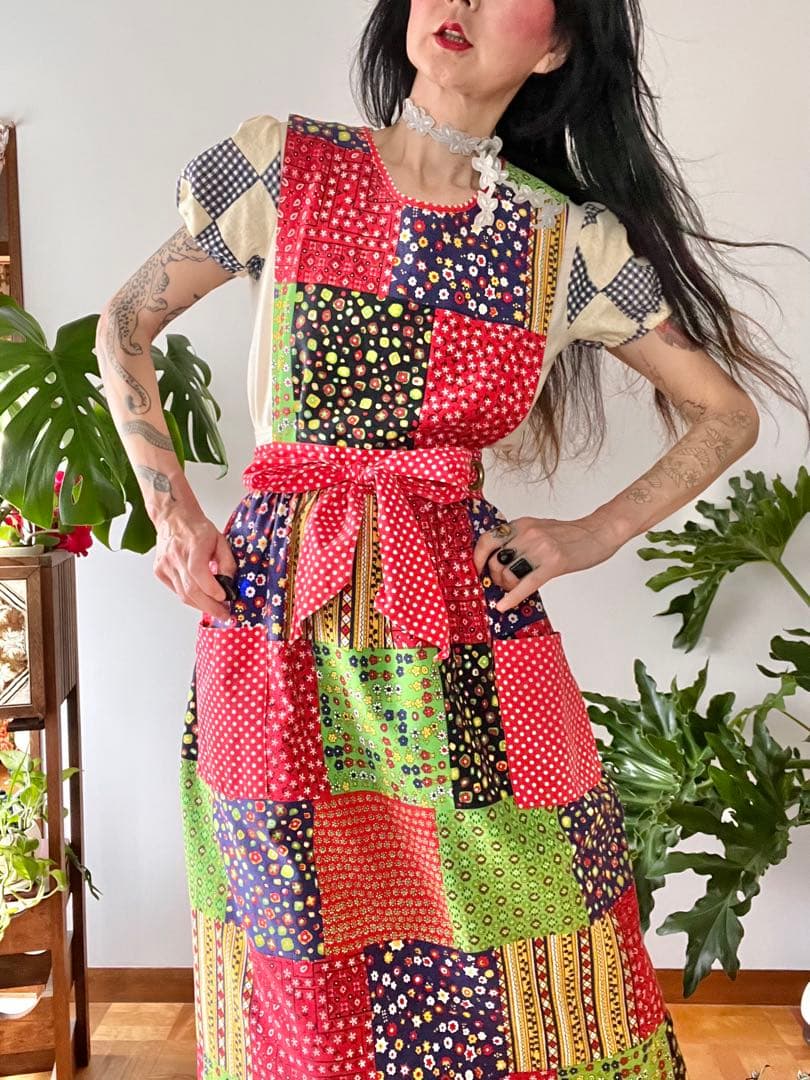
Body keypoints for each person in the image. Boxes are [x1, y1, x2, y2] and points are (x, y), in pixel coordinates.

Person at [96, 1, 809, 1077]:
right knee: (295, 922)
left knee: (535, 914)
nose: (461, 0)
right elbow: (124, 323)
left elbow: (727, 413)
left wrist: (592, 533)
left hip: (462, 623)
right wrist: (174, 512)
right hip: (283, 616)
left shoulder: (564, 244)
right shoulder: (284, 167)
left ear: (558, 45)